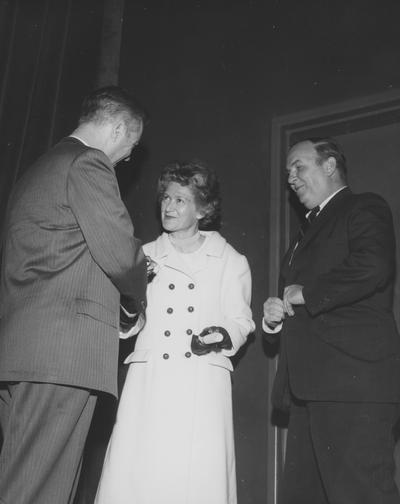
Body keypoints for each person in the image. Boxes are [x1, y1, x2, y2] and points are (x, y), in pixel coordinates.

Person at [0, 86, 148, 504]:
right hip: (64, 356)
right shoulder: (89, 163)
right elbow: (120, 252)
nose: (125, 158)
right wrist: (136, 298)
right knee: (42, 491)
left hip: (23, 350)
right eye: (131, 147)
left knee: (21, 481)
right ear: (119, 128)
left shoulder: (38, 169)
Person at [95, 160, 255, 504]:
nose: (168, 206)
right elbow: (131, 324)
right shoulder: (143, 256)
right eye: (166, 198)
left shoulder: (230, 261)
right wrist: (126, 312)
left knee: (194, 480)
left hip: (201, 383)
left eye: (180, 200)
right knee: (141, 476)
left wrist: (219, 334)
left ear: (203, 208)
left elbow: (241, 321)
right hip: (151, 382)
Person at [263, 137, 400, 504]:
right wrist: (276, 316)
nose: (290, 177)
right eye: (287, 171)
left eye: (299, 167)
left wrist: (304, 293)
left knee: (361, 495)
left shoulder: (363, 207)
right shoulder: (303, 235)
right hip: (310, 391)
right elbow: (297, 299)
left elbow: (374, 265)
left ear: (329, 166)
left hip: (352, 387)